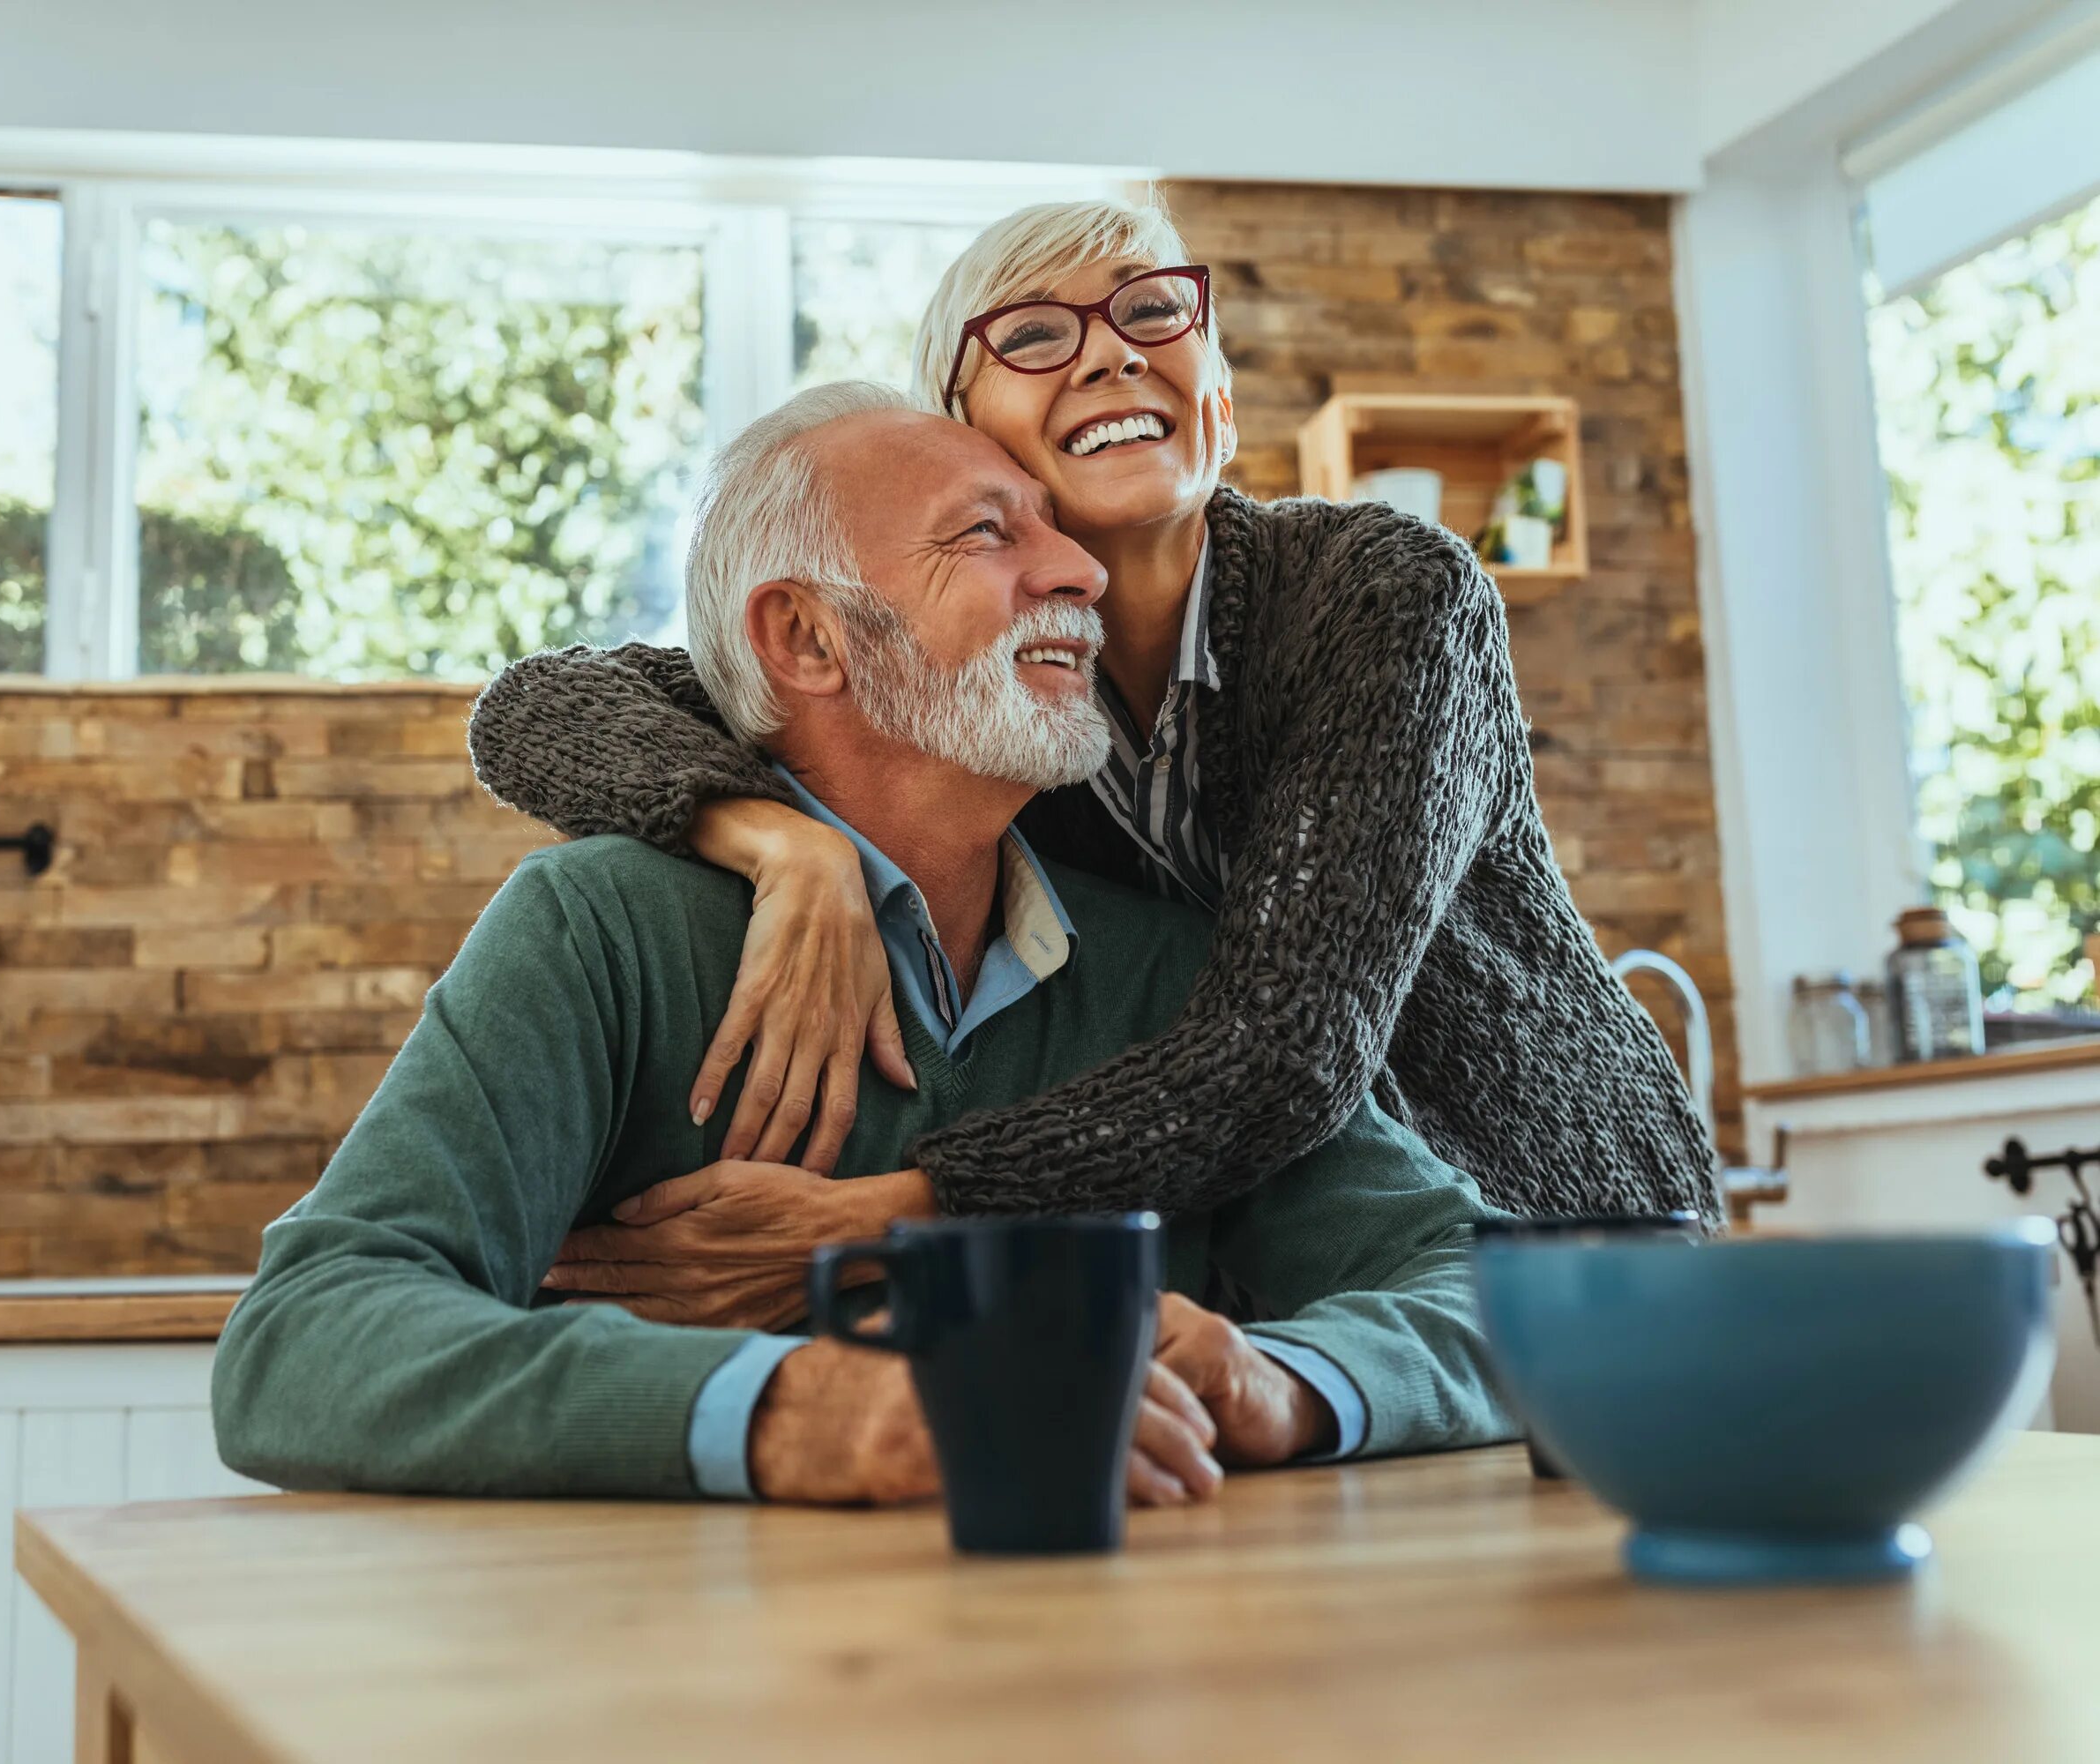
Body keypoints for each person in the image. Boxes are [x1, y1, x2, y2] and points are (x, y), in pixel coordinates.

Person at [211, 384, 1515, 1505]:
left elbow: (1489, 1293)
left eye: (1057, 532)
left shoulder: (1172, 975)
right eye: (989, 535)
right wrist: (798, 1409)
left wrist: (1279, 1376)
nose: (1080, 572)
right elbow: (304, 1341)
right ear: (806, 637)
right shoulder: (600, 931)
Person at [464, 196, 1716, 1335]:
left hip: (1548, 1237)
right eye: (1035, 337)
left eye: (1153, 310)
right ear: (964, 437)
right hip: (1267, 1288)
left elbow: (1285, 1053)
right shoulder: (975, 693)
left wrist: (886, 1214)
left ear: (1216, 393)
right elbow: (541, 704)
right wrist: (778, 840)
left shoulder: (1386, 596)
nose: (1114, 351)